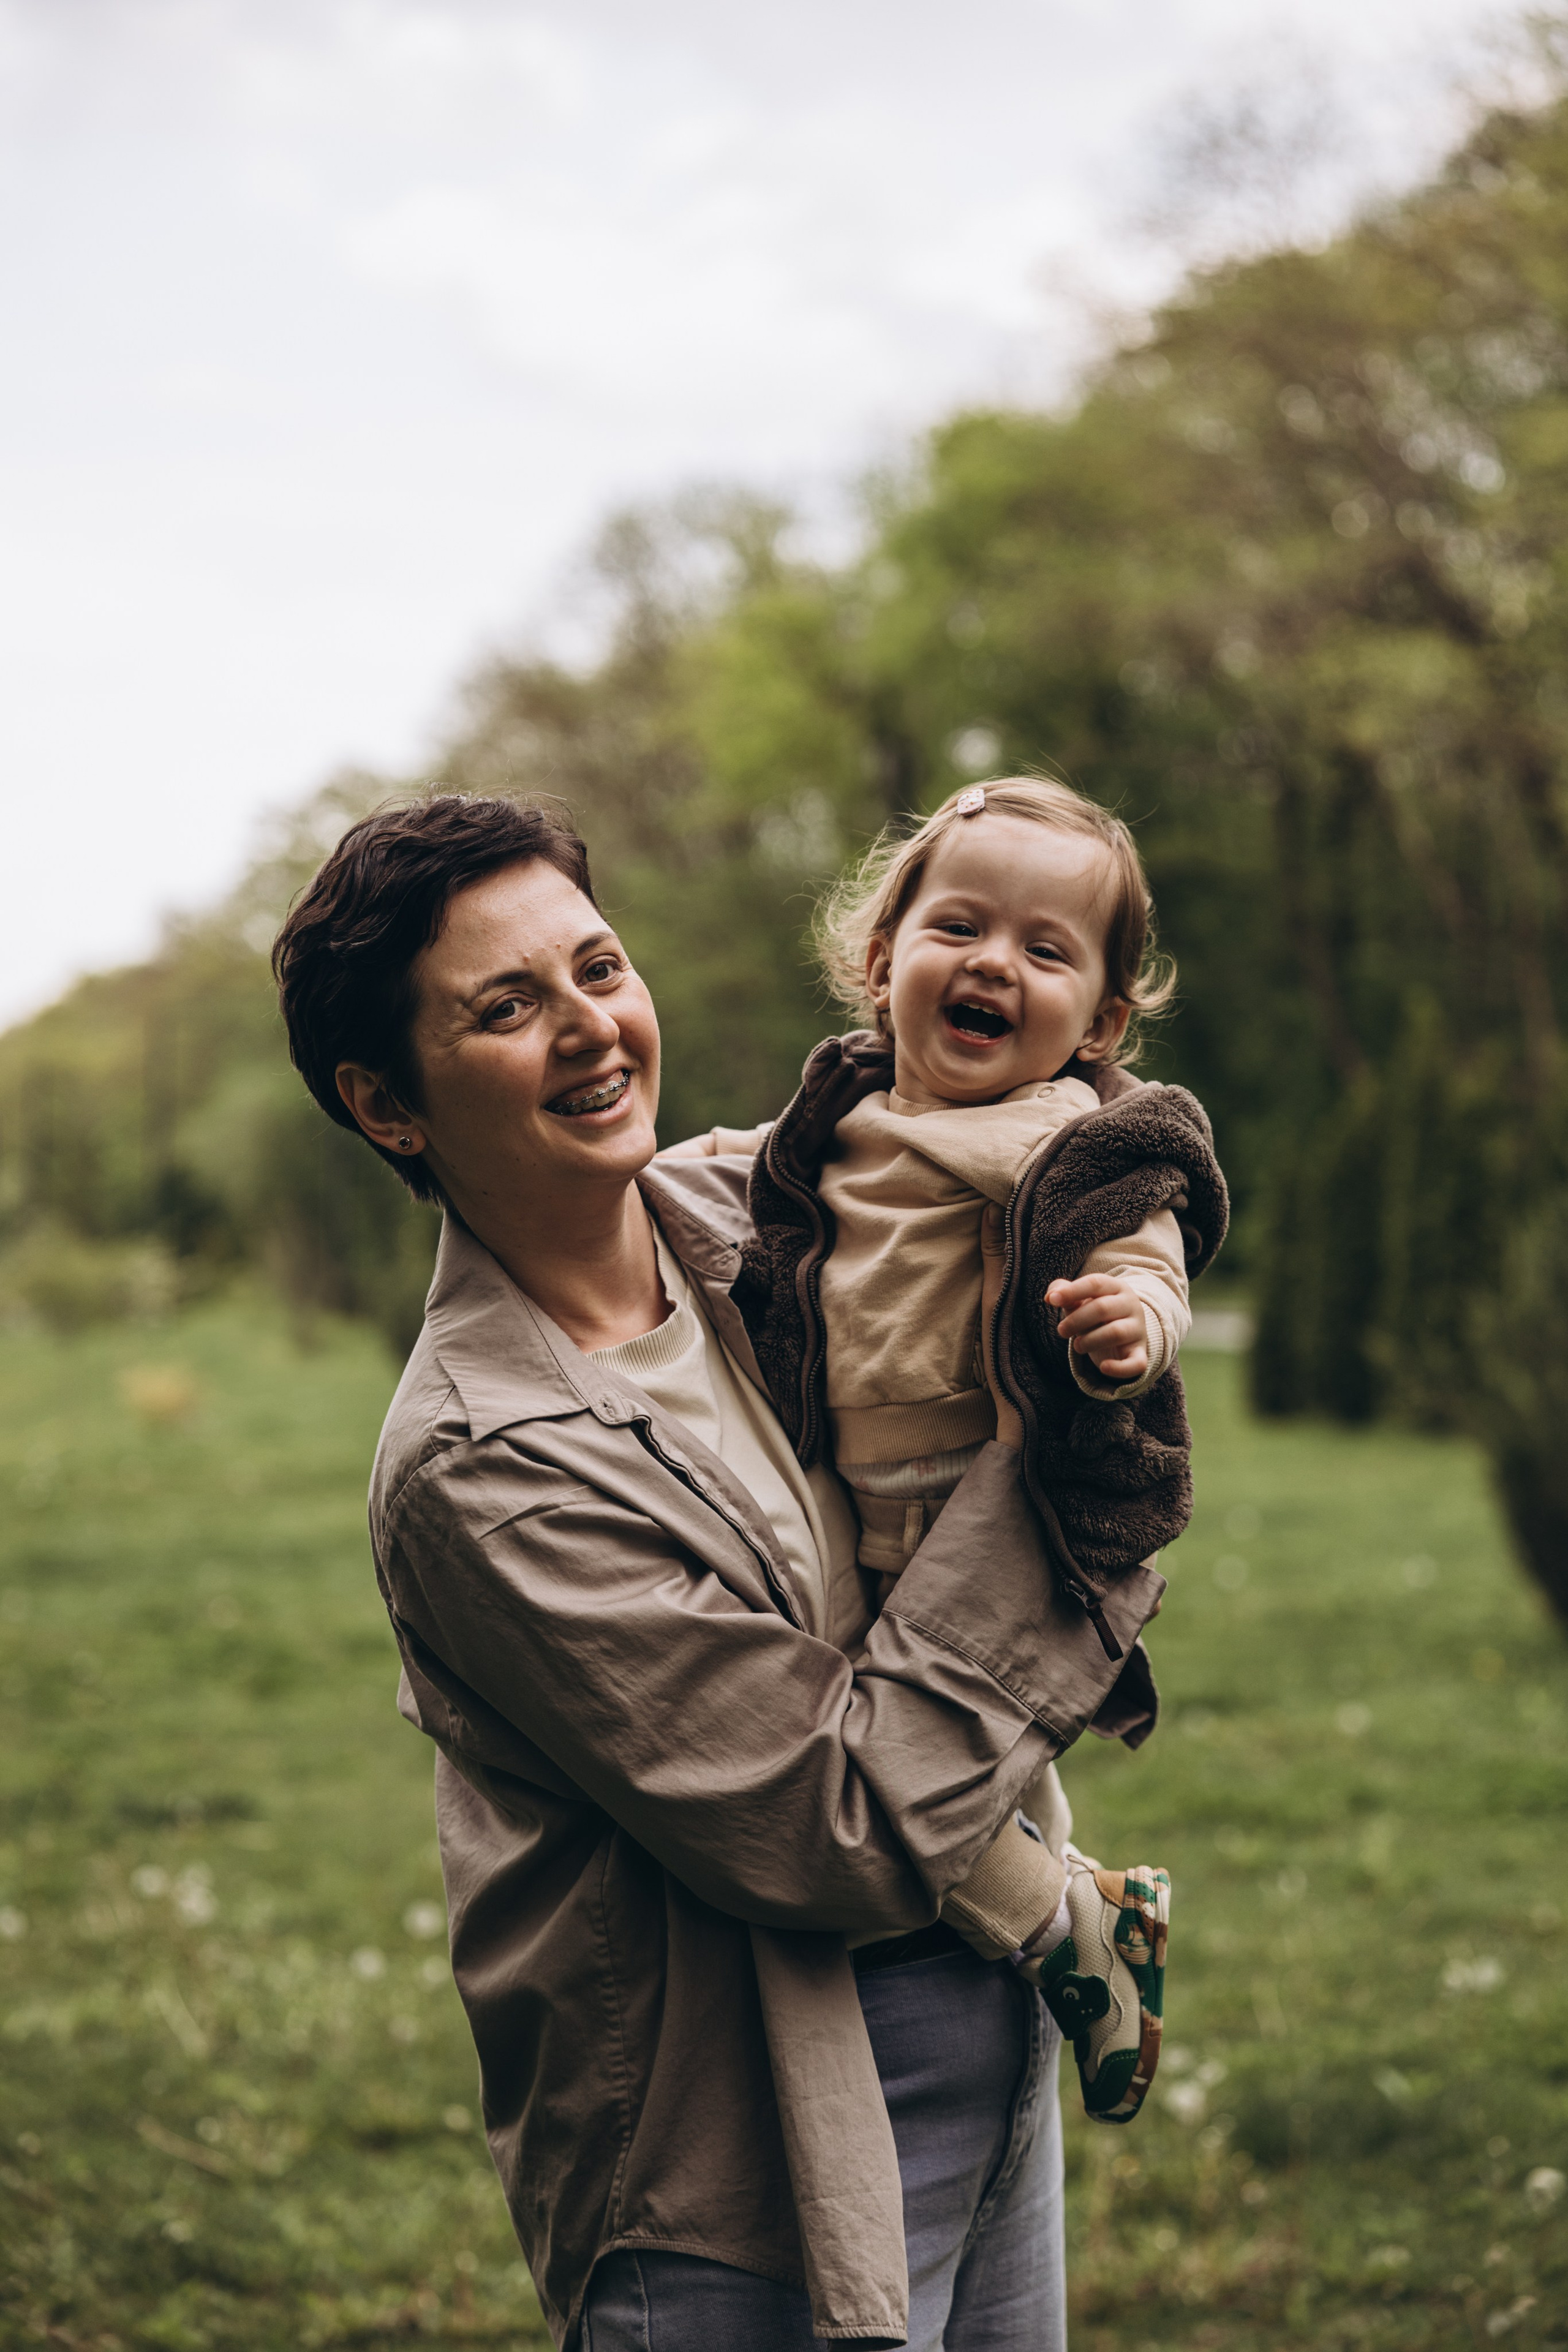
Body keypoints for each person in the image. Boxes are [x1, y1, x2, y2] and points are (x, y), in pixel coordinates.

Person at [271, 793, 1167, 2352]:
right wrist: (1070, 1475)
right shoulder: (482, 1465)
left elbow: (1045, 1160)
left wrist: (1121, 1280)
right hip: (748, 2168)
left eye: (597, 968)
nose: (587, 1030)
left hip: (995, 2028)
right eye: (505, 1006)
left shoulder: (749, 1215)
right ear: (386, 1104)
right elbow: (830, 1824)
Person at [724, 775, 1227, 2124]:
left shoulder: (1066, 1136)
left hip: (980, 1499)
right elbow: (764, 1232)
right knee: (857, 1751)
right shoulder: (829, 1123)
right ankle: (1082, 1921)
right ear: (881, 959)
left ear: (1098, 1020)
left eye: (1045, 950)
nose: (993, 963)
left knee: (924, 1766)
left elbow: (1146, 1250)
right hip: (836, 1490)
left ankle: (1070, 1933)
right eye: (958, 927)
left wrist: (1133, 1325)